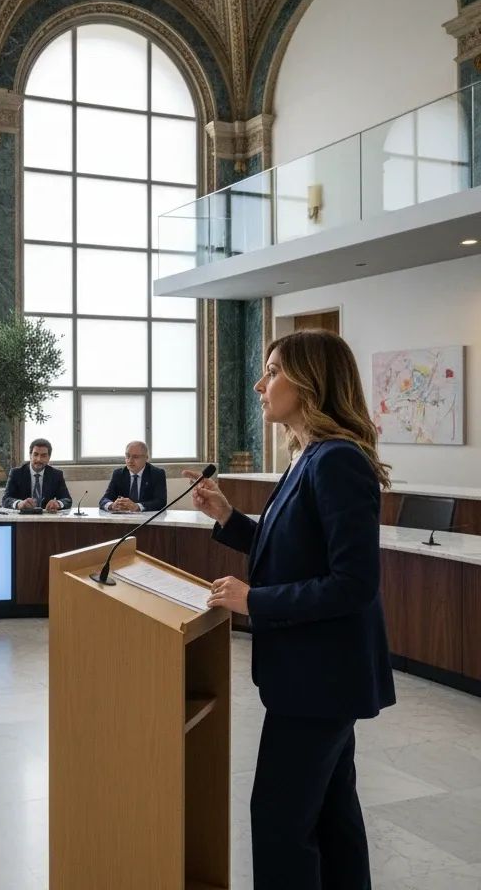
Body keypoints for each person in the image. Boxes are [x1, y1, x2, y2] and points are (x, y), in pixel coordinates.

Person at [185, 329, 395, 889]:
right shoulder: (310, 457)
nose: (259, 384)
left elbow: (353, 582)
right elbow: (295, 551)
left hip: (319, 679)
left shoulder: (336, 461)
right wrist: (229, 518)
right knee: (332, 816)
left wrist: (254, 599)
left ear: (308, 383)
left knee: (280, 822)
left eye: (273, 370)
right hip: (317, 677)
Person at [2, 438, 71, 513]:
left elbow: (67, 499)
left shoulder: (56, 475)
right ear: (30, 455)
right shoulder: (16, 473)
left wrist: (58, 504)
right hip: (23, 518)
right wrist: (19, 504)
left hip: (47, 517)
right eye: (35, 454)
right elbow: (6, 499)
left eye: (43, 456)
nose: (39, 459)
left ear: (49, 458)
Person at [99, 440, 167, 512]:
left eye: (135, 457)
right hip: (123, 518)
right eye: (127, 456)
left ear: (146, 458)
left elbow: (161, 501)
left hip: (147, 519)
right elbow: (104, 499)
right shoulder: (118, 474)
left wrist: (138, 507)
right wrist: (112, 505)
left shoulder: (157, 474)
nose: (130, 460)